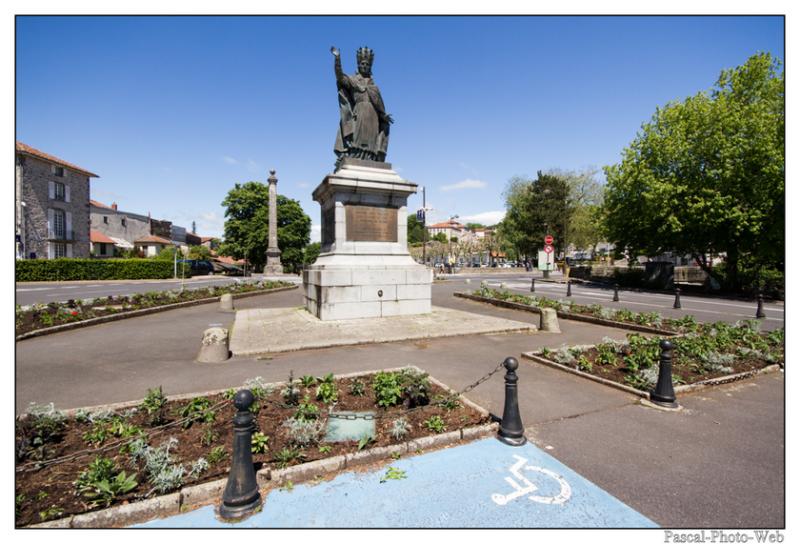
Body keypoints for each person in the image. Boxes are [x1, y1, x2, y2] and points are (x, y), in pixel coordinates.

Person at [331, 46, 393, 166]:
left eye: (367, 64)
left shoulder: (374, 87)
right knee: (357, 139)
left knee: (371, 141)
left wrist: (383, 116)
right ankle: (355, 156)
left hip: (373, 116)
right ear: (359, 64)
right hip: (359, 113)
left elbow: (379, 105)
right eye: (363, 64)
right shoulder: (353, 80)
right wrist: (337, 59)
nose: (365, 66)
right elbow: (340, 76)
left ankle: (371, 158)